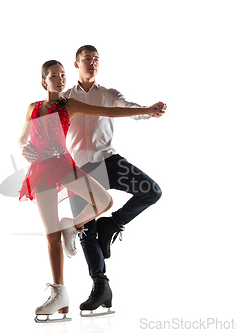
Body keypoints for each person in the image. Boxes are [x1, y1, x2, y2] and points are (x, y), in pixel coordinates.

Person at [18, 60, 166, 323]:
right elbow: (23, 137)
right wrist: (24, 147)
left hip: (63, 163)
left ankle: (71, 226)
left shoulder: (69, 105)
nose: (61, 79)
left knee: (104, 201)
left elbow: (108, 112)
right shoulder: (33, 107)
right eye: (54, 76)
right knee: (50, 235)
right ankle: (59, 295)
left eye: (63, 75)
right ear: (44, 81)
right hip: (39, 169)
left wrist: (147, 110)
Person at [61, 45, 165, 317]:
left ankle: (114, 223)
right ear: (76, 64)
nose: (92, 63)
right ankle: (101, 285)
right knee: (85, 229)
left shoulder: (108, 94)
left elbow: (128, 108)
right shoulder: (65, 98)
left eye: (96, 59)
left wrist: (149, 110)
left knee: (151, 191)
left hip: (108, 160)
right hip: (78, 169)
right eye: (87, 59)